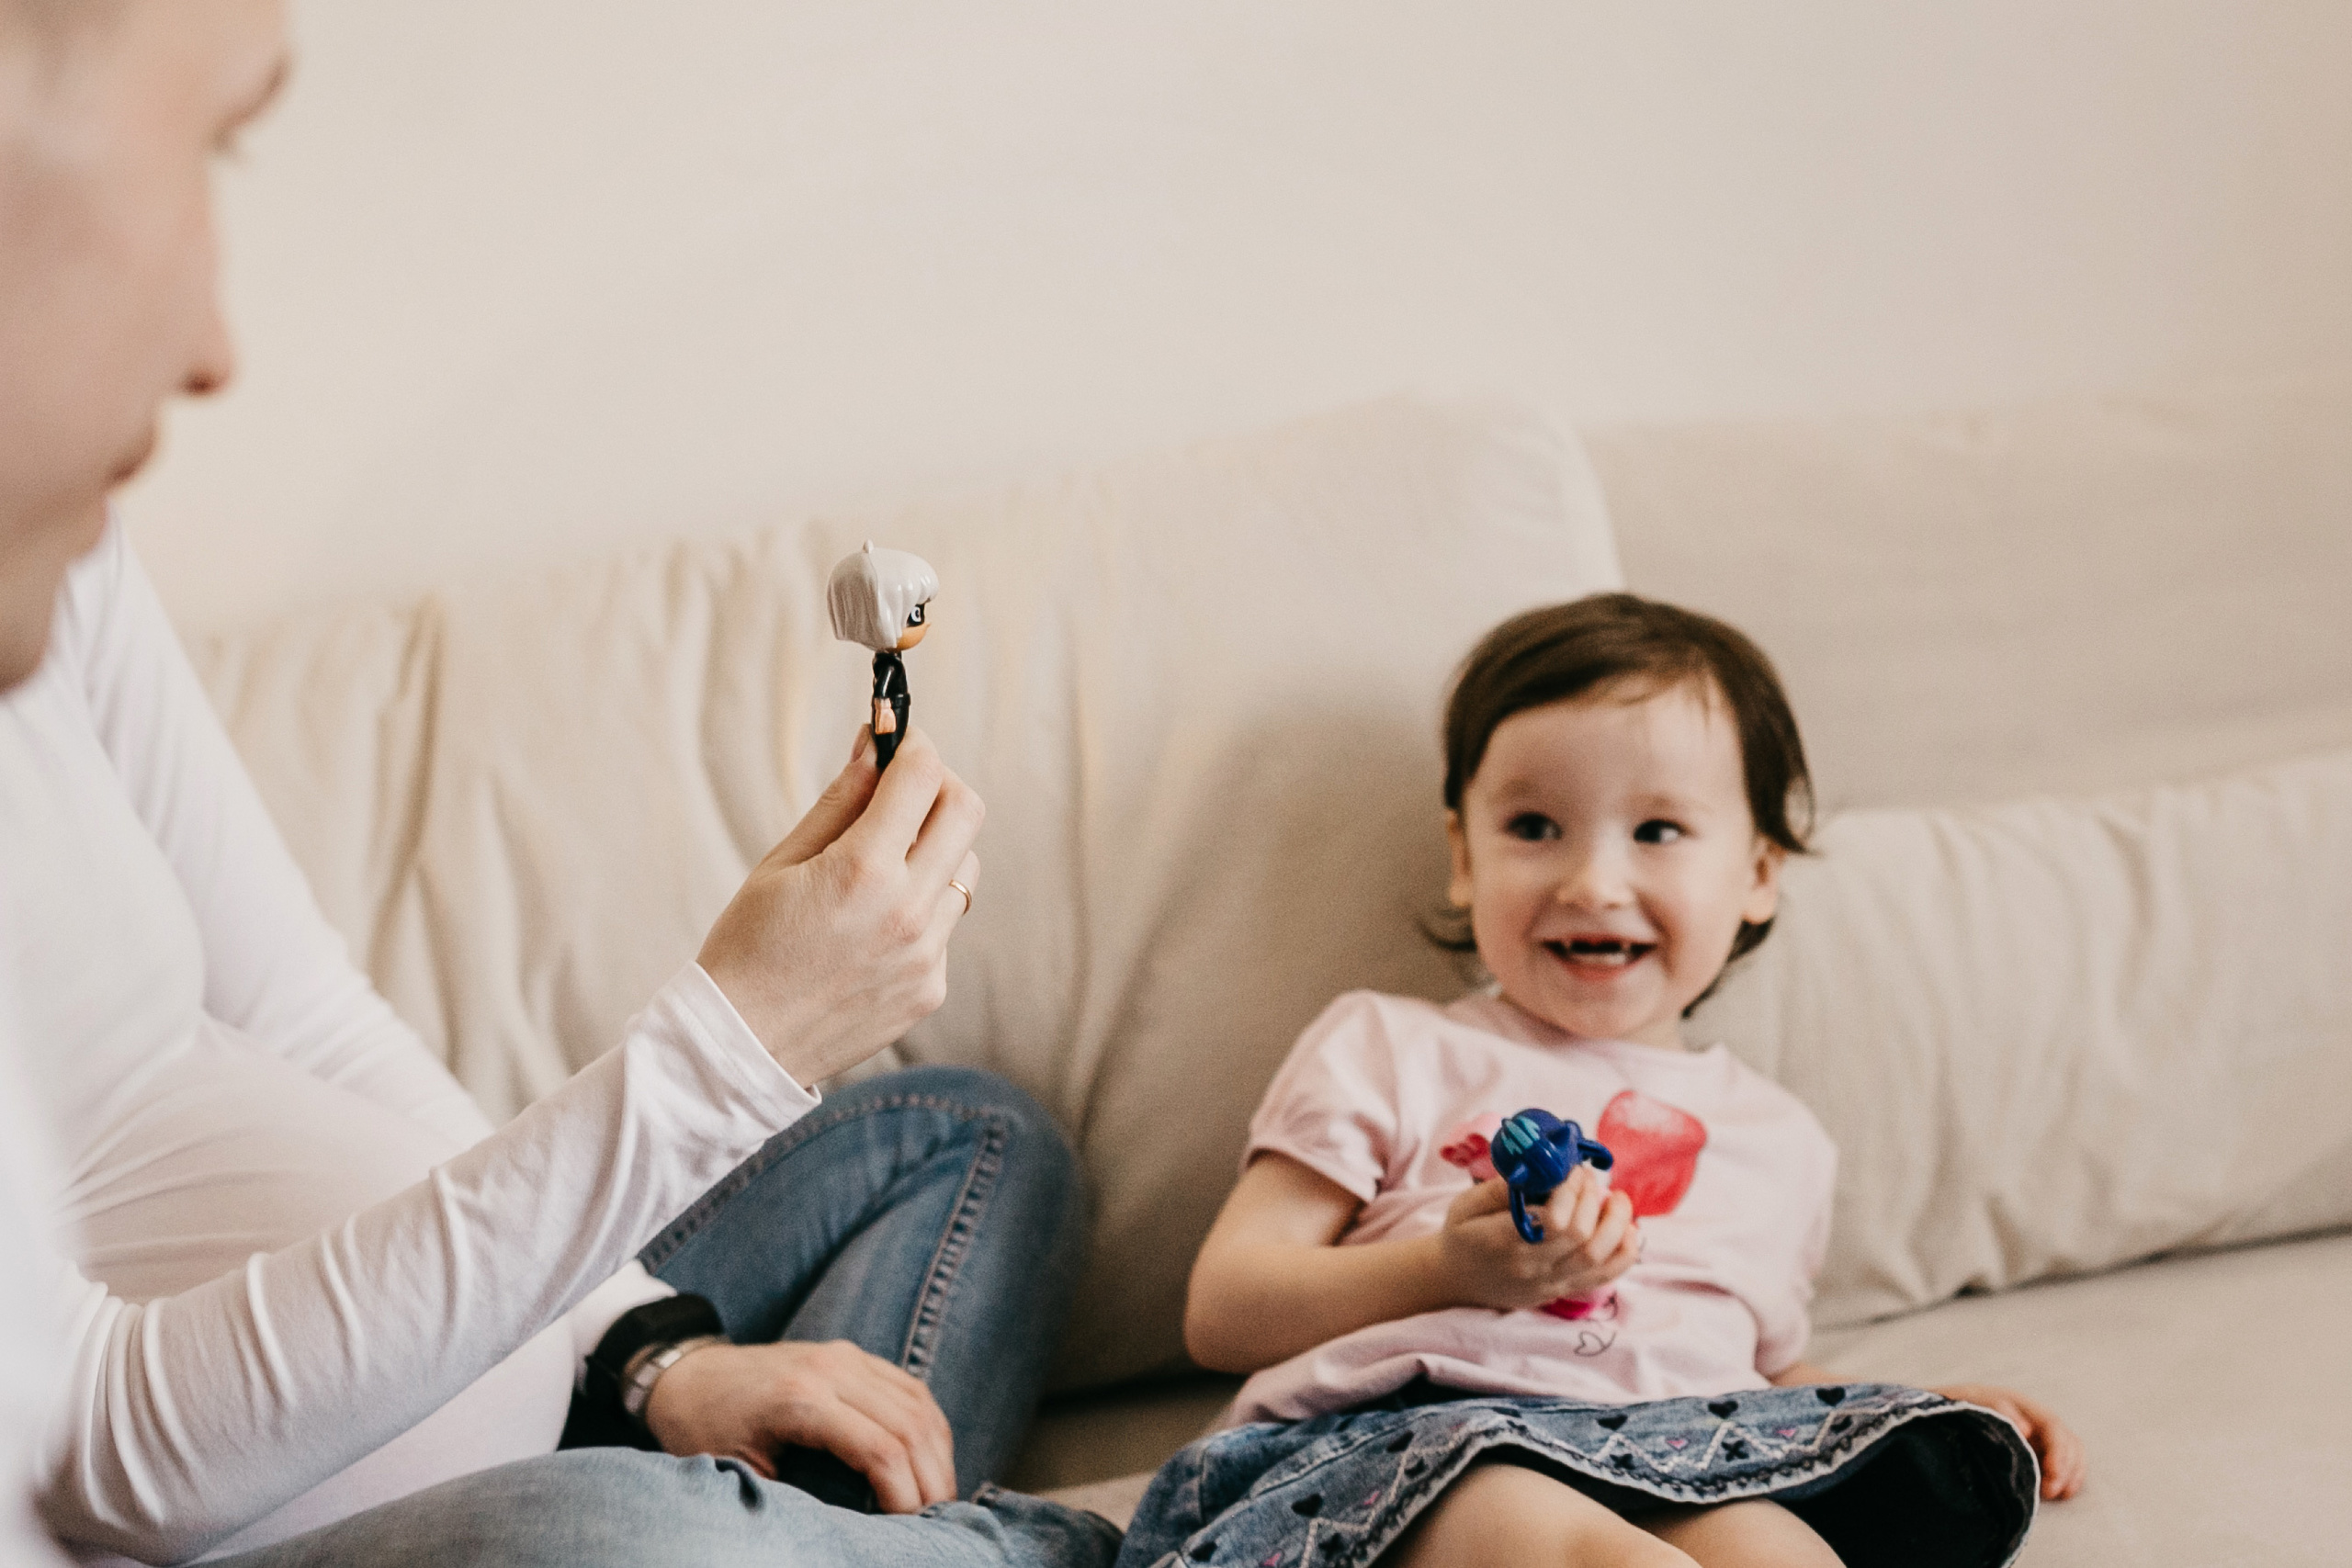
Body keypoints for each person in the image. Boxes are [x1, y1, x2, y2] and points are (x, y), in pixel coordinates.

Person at [0, 4, 1114, 1565]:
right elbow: (107, 1454)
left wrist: (651, 1350)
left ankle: (816, 1533)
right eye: (203, 144)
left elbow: (307, 1014)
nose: (216, 347)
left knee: (963, 1134)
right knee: (617, 1540)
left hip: (542, 1363)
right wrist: (733, 1045)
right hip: (311, 1524)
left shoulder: (52, 554)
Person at [1126, 595, 2087, 1568]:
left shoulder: (1779, 1139)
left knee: (1780, 1551)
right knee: (1574, 1547)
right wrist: (1448, 1273)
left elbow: (1755, 1369)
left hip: (1681, 1447)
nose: (1592, 882)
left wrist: (1920, 1405)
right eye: (1535, 826)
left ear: (1758, 871)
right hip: (1407, 1444)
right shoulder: (1389, 1045)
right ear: (1464, 854)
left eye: (1659, 831)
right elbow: (1224, 1308)